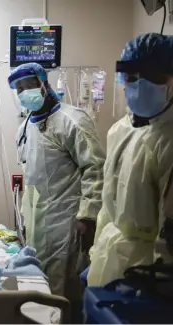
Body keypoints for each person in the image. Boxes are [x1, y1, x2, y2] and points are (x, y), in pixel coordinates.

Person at [8, 63, 105, 311]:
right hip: (36, 219)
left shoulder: (72, 121)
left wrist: (88, 216)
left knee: (64, 285)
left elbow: (94, 168)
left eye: (27, 86)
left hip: (66, 221)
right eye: (17, 89)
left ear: (43, 83)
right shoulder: (25, 127)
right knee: (39, 282)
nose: (22, 93)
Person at [88, 33, 173, 286]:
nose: (136, 85)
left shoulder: (168, 140)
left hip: (148, 270)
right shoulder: (120, 131)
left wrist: (159, 285)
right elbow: (108, 205)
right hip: (109, 257)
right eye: (131, 77)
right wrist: (96, 253)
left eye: (150, 76)